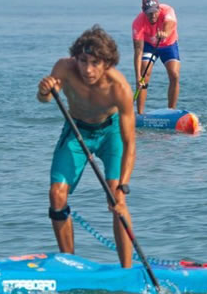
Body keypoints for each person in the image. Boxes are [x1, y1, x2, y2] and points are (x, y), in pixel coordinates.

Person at [37, 25, 136, 267]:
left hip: (110, 133)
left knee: (116, 200)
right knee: (56, 194)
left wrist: (123, 187)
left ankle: (127, 269)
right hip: (77, 129)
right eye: (83, 61)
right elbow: (48, 96)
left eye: (95, 63)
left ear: (107, 63)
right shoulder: (64, 68)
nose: (88, 69)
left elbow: (129, 143)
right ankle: (69, 262)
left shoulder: (119, 88)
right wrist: (45, 92)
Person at [132, 0, 181, 114]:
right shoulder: (137, 23)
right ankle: (140, 114)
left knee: (174, 75)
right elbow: (138, 51)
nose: (153, 16)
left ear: (159, 9)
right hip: (149, 45)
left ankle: (171, 111)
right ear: (143, 11)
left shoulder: (168, 10)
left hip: (168, 44)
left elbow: (169, 24)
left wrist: (165, 33)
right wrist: (138, 77)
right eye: (149, 13)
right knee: (144, 75)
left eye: (155, 12)